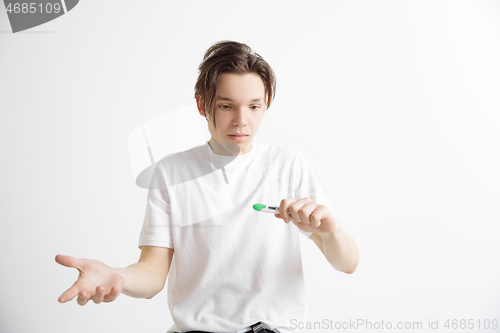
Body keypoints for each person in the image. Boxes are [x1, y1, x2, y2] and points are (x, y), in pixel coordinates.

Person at [56, 40, 360, 333]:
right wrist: (115, 275)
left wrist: (330, 230)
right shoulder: (172, 172)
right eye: (227, 106)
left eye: (254, 107)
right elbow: (151, 274)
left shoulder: (288, 165)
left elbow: (347, 263)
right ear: (202, 105)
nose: (242, 121)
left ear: (266, 103)